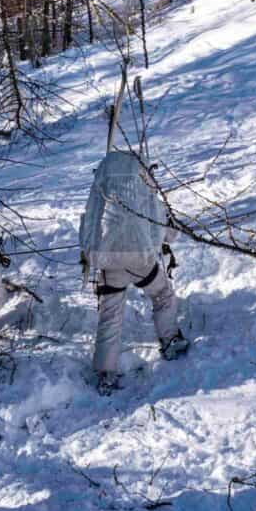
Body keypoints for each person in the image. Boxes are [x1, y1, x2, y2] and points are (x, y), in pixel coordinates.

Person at [79, 150, 188, 396]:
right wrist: (164, 239)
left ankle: (106, 374)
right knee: (161, 293)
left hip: (109, 261)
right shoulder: (144, 190)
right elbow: (166, 227)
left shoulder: (101, 190)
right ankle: (170, 340)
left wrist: (90, 254)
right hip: (141, 261)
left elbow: (88, 224)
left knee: (110, 315)